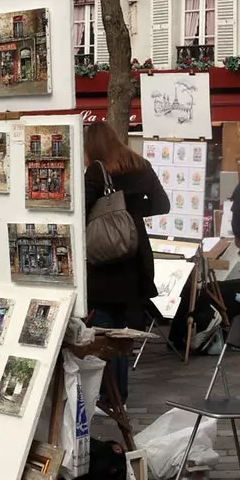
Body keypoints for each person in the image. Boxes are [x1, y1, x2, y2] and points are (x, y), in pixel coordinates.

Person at [82, 121, 169, 402]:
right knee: (122, 330)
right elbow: (162, 205)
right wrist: (130, 212)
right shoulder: (140, 164)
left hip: (105, 262)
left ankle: (111, 396)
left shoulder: (97, 170)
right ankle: (120, 395)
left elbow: (80, 208)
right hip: (135, 257)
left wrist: (109, 212)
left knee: (106, 332)